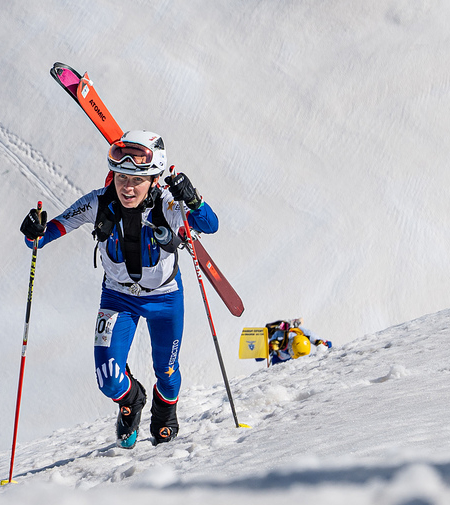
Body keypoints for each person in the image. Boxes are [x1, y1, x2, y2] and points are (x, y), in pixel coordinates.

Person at [19, 130, 219, 449]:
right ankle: (132, 401)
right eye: (121, 176)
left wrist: (193, 199)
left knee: (166, 371)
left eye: (136, 180)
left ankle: (165, 411)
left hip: (164, 299)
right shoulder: (99, 202)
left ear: (154, 179)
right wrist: (34, 231)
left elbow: (210, 225)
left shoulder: (169, 204)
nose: (127, 187)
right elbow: (44, 235)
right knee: (109, 378)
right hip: (117, 297)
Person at [264, 319, 332, 365]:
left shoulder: (308, 336)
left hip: (289, 357)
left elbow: (326, 343)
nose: (290, 352)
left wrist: (324, 344)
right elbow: (263, 353)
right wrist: (269, 349)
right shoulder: (279, 337)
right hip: (278, 357)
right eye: (291, 350)